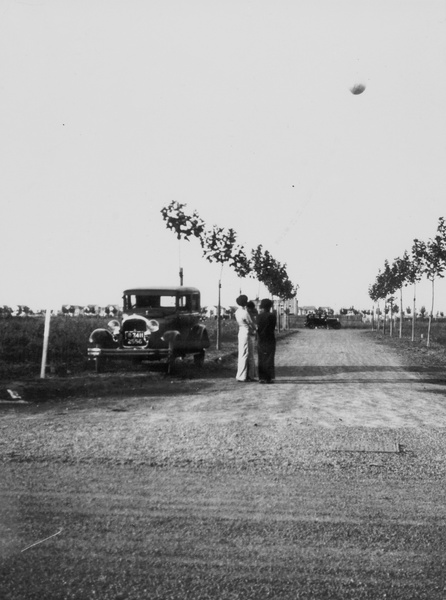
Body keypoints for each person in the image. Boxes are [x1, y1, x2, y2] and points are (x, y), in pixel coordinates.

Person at [235, 294, 256, 382]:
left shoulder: (237, 312)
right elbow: (250, 323)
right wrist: (255, 328)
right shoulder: (245, 312)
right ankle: (248, 376)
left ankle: (241, 375)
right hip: (247, 333)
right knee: (249, 355)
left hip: (241, 332)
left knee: (242, 354)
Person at [257, 298, 276, 384]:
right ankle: (268, 378)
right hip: (270, 338)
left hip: (261, 339)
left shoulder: (259, 316)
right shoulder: (272, 316)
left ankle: (261, 377)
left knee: (261, 358)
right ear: (270, 307)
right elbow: (272, 327)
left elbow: (257, 328)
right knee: (269, 358)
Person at [246, 301, 258, 381]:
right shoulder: (255, 313)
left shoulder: (248, 313)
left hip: (250, 333)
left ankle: (250, 374)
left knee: (249, 355)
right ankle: (252, 374)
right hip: (252, 334)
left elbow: (252, 323)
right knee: (251, 355)